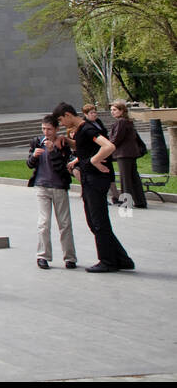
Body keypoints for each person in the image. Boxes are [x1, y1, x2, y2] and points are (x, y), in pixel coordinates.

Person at [55, 102, 134, 273]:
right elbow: (84, 147)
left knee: (99, 222)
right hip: (90, 179)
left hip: (96, 180)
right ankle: (121, 259)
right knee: (94, 221)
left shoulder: (88, 128)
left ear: (68, 115)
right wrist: (68, 141)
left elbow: (109, 146)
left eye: (61, 120)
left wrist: (93, 161)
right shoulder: (82, 131)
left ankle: (108, 261)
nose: (62, 124)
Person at [26, 114, 77, 270]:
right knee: (43, 223)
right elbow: (29, 164)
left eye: (49, 129)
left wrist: (53, 151)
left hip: (59, 187)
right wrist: (33, 157)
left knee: (65, 223)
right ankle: (43, 256)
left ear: (56, 129)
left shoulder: (62, 144)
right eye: (43, 129)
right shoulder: (37, 142)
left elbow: (63, 168)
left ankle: (70, 257)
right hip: (42, 186)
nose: (46, 132)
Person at [108, 102, 147, 210]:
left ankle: (126, 202)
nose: (112, 112)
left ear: (121, 111)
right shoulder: (128, 122)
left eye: (114, 110)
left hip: (123, 154)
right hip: (131, 153)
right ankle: (140, 201)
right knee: (134, 177)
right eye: (111, 110)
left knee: (125, 178)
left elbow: (116, 139)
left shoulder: (121, 122)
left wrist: (107, 147)